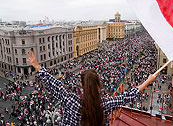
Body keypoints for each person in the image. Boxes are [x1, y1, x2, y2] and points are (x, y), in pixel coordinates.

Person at [27, 51, 158, 126]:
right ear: (98, 85)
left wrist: (38, 66)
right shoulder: (105, 104)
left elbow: (55, 84)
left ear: (82, 85)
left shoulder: (70, 100)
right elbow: (127, 96)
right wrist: (148, 80)